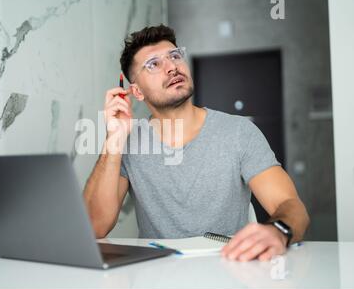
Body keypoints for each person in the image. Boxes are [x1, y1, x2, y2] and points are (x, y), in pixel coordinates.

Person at [83, 24, 309, 262]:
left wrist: (278, 231)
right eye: (154, 64)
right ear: (137, 92)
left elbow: (290, 205)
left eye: (175, 56)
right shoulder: (128, 144)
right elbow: (94, 227)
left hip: (230, 269)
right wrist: (114, 139)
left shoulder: (239, 132)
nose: (172, 67)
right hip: (157, 278)